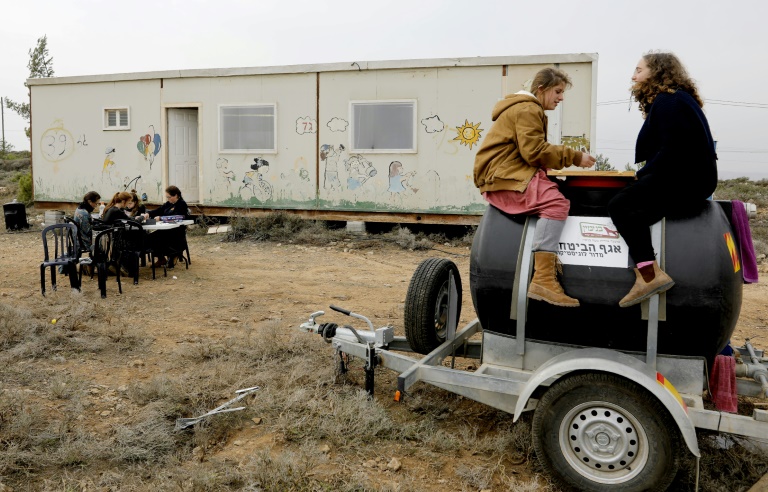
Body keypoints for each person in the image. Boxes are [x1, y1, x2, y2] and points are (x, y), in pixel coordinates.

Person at [473, 67, 596, 307]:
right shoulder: (528, 109)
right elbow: (534, 151)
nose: (561, 98)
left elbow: (528, 151)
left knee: (559, 190)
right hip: (503, 175)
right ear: (541, 89)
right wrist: (574, 157)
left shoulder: (526, 108)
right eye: (558, 91)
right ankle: (543, 280)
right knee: (556, 203)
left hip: (506, 170)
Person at [608, 52, 717, 308]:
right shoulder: (677, 98)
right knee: (635, 213)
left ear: (656, 72)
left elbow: (674, 150)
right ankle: (649, 272)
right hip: (690, 177)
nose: (633, 76)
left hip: (686, 178)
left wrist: (642, 174)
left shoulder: (669, 100)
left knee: (619, 205)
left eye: (639, 70)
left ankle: (649, 276)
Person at [142, 186, 189, 267]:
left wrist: (161, 218)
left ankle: (173, 255)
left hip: (176, 230)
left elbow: (177, 217)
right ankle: (161, 258)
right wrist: (148, 214)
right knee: (151, 237)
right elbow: (159, 210)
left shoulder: (181, 204)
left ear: (176, 195)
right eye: (167, 197)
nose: (168, 199)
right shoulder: (168, 204)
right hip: (165, 229)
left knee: (161, 237)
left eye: (169, 197)